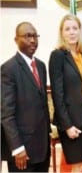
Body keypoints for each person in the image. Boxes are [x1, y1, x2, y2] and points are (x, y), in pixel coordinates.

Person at [1, 22, 50, 172]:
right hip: (23, 150)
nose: (33, 40)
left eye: (35, 36)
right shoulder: (8, 69)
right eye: (27, 36)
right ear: (16, 40)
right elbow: (6, 114)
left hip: (42, 146)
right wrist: (17, 148)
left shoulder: (41, 66)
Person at [49, 14, 82, 172]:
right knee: (76, 163)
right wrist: (67, 125)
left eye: (75, 28)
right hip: (71, 121)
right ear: (62, 33)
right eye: (67, 29)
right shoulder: (57, 56)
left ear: (80, 31)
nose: (72, 32)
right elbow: (57, 94)